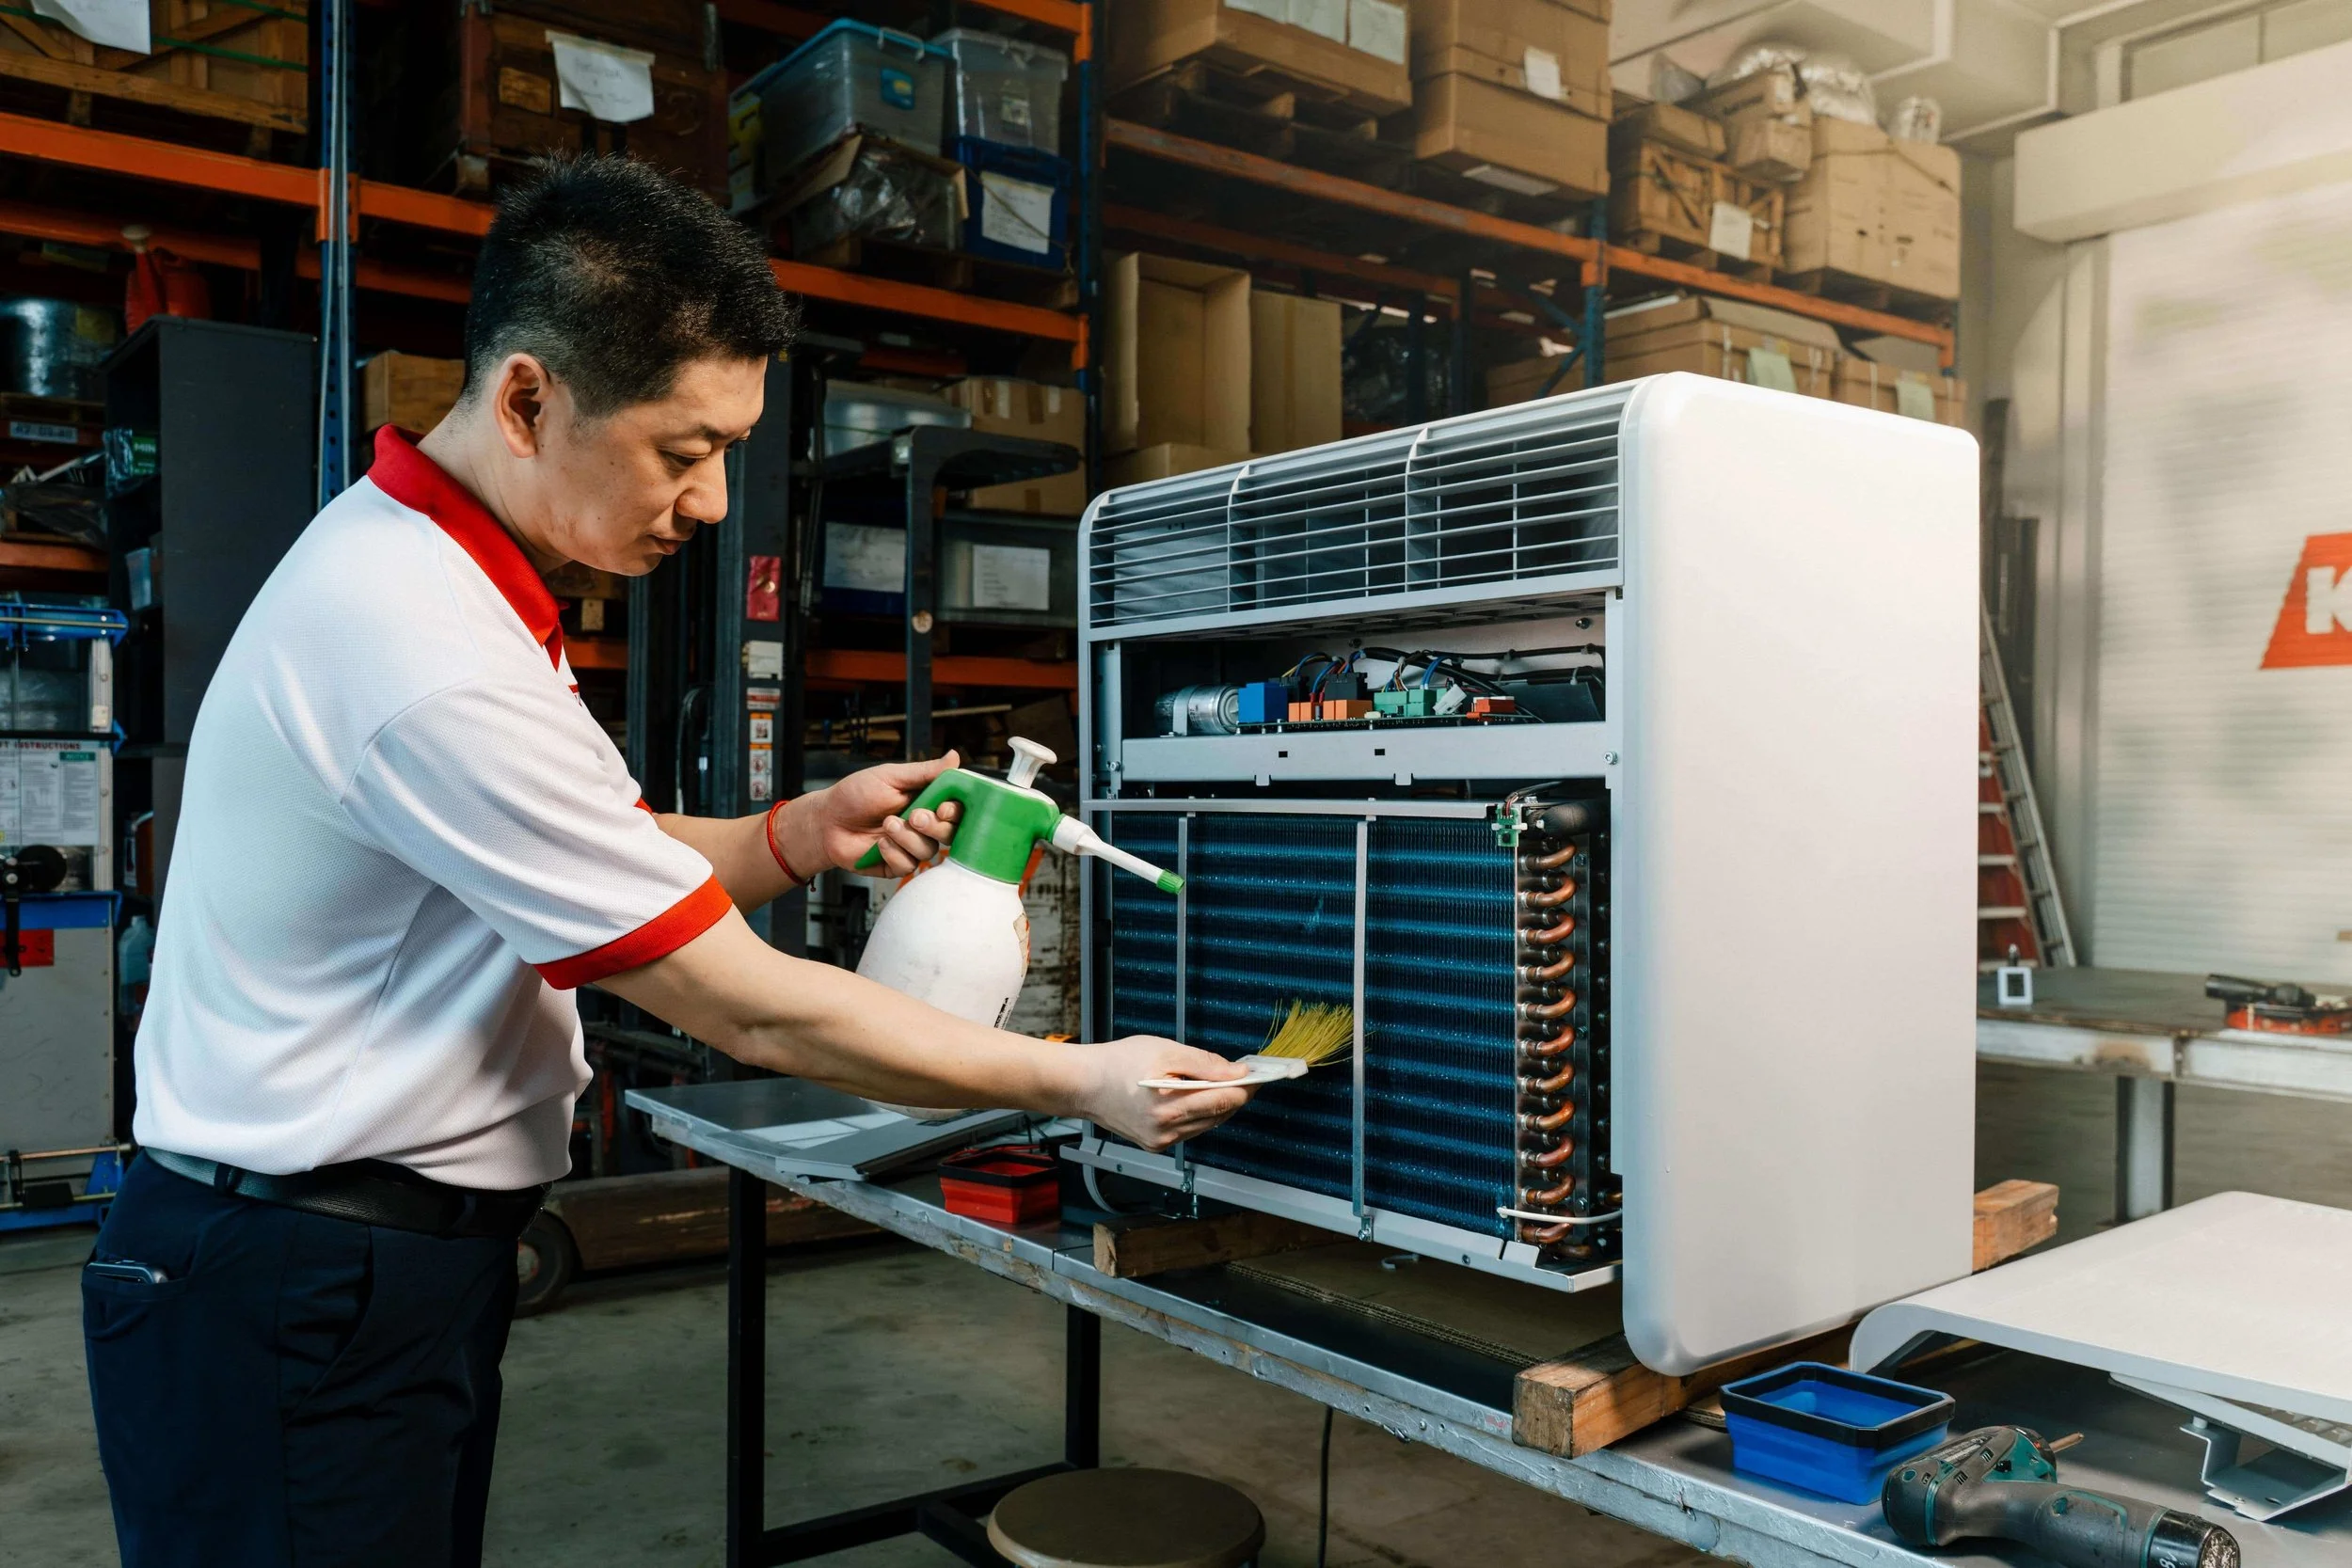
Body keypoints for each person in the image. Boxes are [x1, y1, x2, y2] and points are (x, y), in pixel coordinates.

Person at [83, 154, 1251, 1568]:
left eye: (726, 458)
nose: (707, 504)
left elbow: (592, 850)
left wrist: (792, 833)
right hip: (291, 1283)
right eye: (681, 450)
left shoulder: (444, 576)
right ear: (528, 400)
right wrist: (1083, 1078)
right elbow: (744, 1002)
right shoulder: (424, 648)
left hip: (358, 1269)